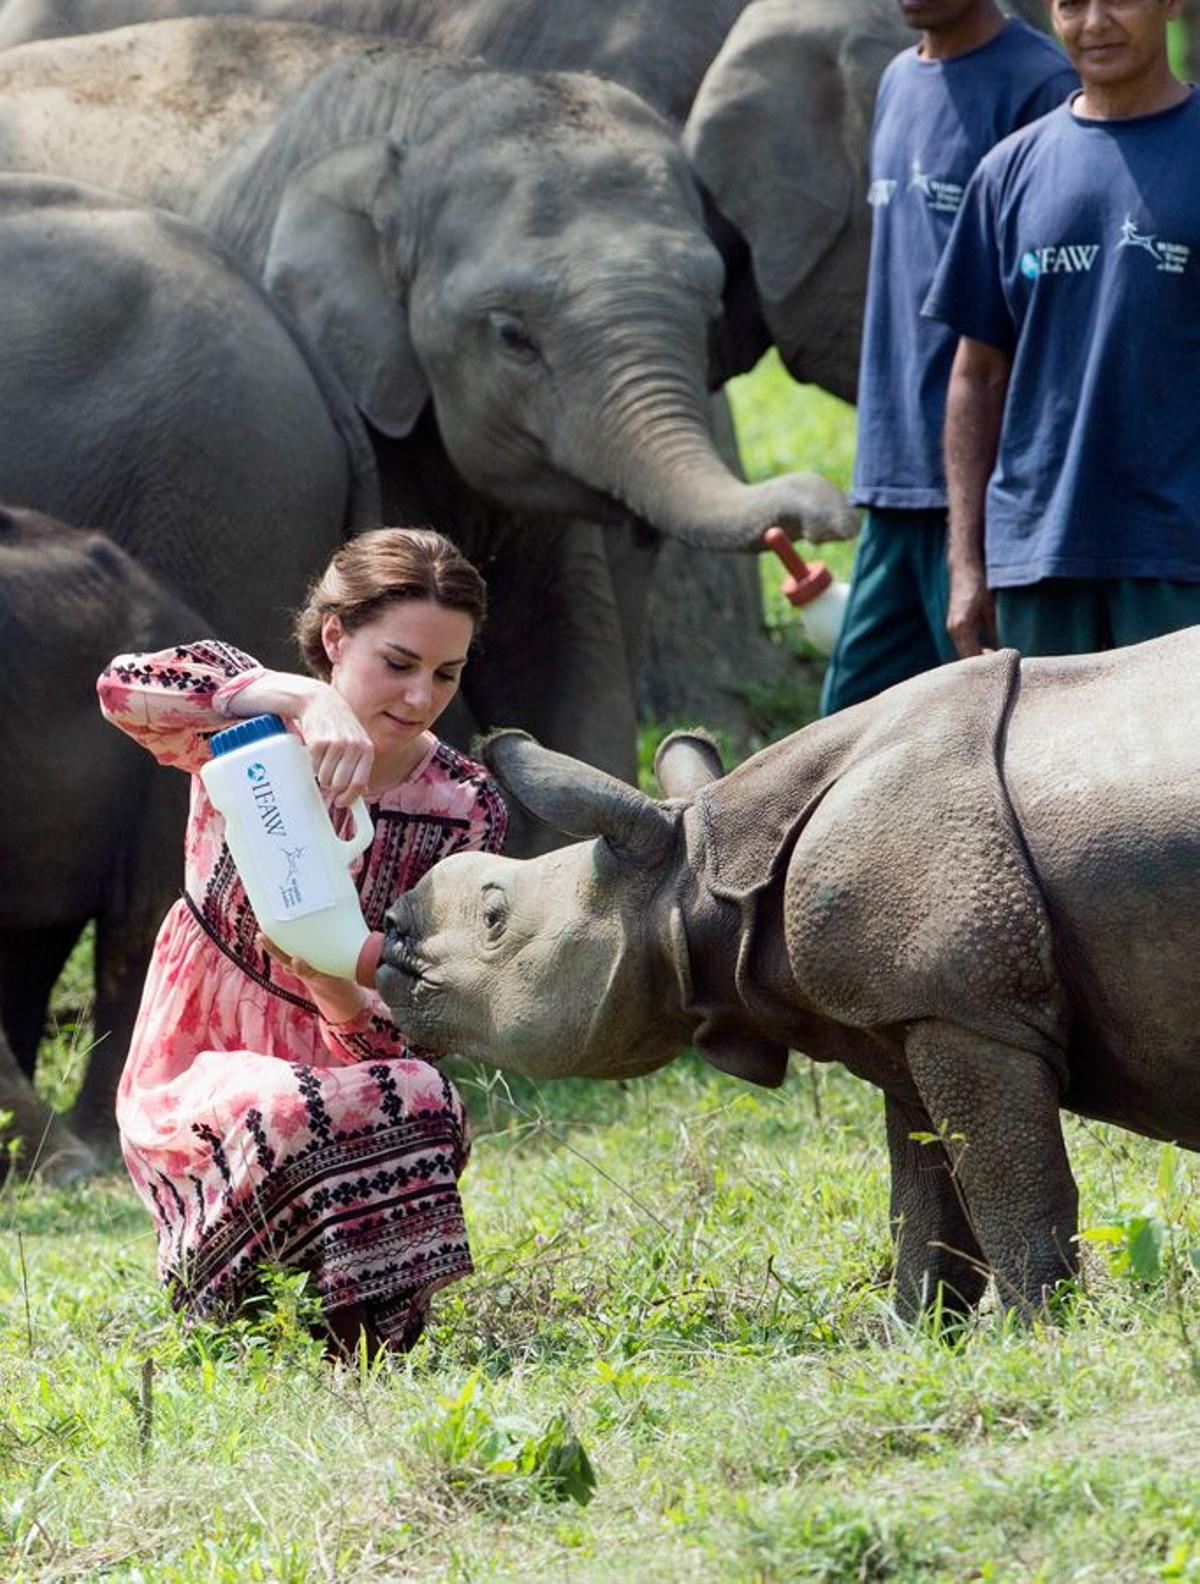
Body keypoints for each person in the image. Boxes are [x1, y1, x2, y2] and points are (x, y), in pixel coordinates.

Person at [97, 528, 507, 1357]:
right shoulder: (248, 734)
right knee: (284, 1108)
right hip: (201, 1050)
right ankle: (240, 1324)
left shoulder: (464, 806)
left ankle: (361, 1344)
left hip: (346, 1042)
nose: (421, 695)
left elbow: (433, 1005)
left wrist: (344, 998)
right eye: (398, 663)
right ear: (333, 637)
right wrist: (297, 698)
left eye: (446, 673)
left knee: (426, 1098)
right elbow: (124, 689)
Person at [821, 0, 1077, 712]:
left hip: (983, 493)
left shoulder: (1040, 86)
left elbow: (1050, 312)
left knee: (991, 739)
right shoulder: (899, 79)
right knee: (847, 736)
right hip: (891, 482)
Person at [927, 0, 1200, 658]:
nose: (1095, 22)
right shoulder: (1007, 172)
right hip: (1037, 560)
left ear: (1170, 3)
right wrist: (968, 565)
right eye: (1071, 3)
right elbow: (976, 375)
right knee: (1042, 767)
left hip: (1181, 559)